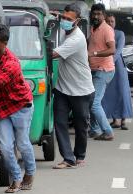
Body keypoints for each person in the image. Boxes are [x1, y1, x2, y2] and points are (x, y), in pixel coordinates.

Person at [0, 24, 36, 193]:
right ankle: (16, 178)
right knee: (4, 147)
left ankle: (30, 174)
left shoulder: (11, 64)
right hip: (1, 107)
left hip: (20, 106)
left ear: (4, 44)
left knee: (23, 143)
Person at [51, 4, 95, 169]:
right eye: (63, 17)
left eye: (69, 19)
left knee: (81, 126)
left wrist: (36, 50)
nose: (64, 21)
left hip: (81, 90)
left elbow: (53, 54)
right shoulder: (65, 32)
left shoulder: (77, 39)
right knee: (60, 123)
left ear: (77, 21)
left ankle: (80, 155)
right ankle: (68, 159)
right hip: (62, 88)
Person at [88, 3, 116, 141]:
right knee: (91, 101)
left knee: (94, 103)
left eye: (99, 14)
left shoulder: (107, 29)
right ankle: (94, 130)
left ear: (104, 15)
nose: (96, 16)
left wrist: (93, 53)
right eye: (94, 13)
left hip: (103, 70)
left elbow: (112, 50)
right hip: (93, 69)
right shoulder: (93, 27)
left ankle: (108, 131)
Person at [102, 13, 133, 130]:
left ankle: (124, 120)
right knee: (111, 93)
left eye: (112, 21)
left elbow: (118, 50)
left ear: (115, 23)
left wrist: (109, 60)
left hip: (118, 66)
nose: (110, 23)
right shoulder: (103, 32)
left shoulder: (120, 34)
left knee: (122, 92)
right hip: (107, 65)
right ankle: (115, 120)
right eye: (108, 21)